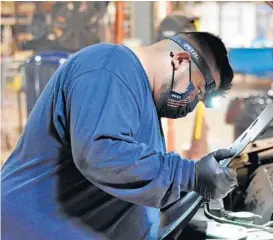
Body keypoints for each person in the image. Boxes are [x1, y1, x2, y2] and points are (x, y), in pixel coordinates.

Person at [1, 32, 236, 240]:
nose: (192, 104)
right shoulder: (109, 66)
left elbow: (135, 175)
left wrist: (194, 190)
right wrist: (189, 175)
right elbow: (101, 153)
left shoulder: (142, 100)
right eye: (198, 89)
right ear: (180, 61)